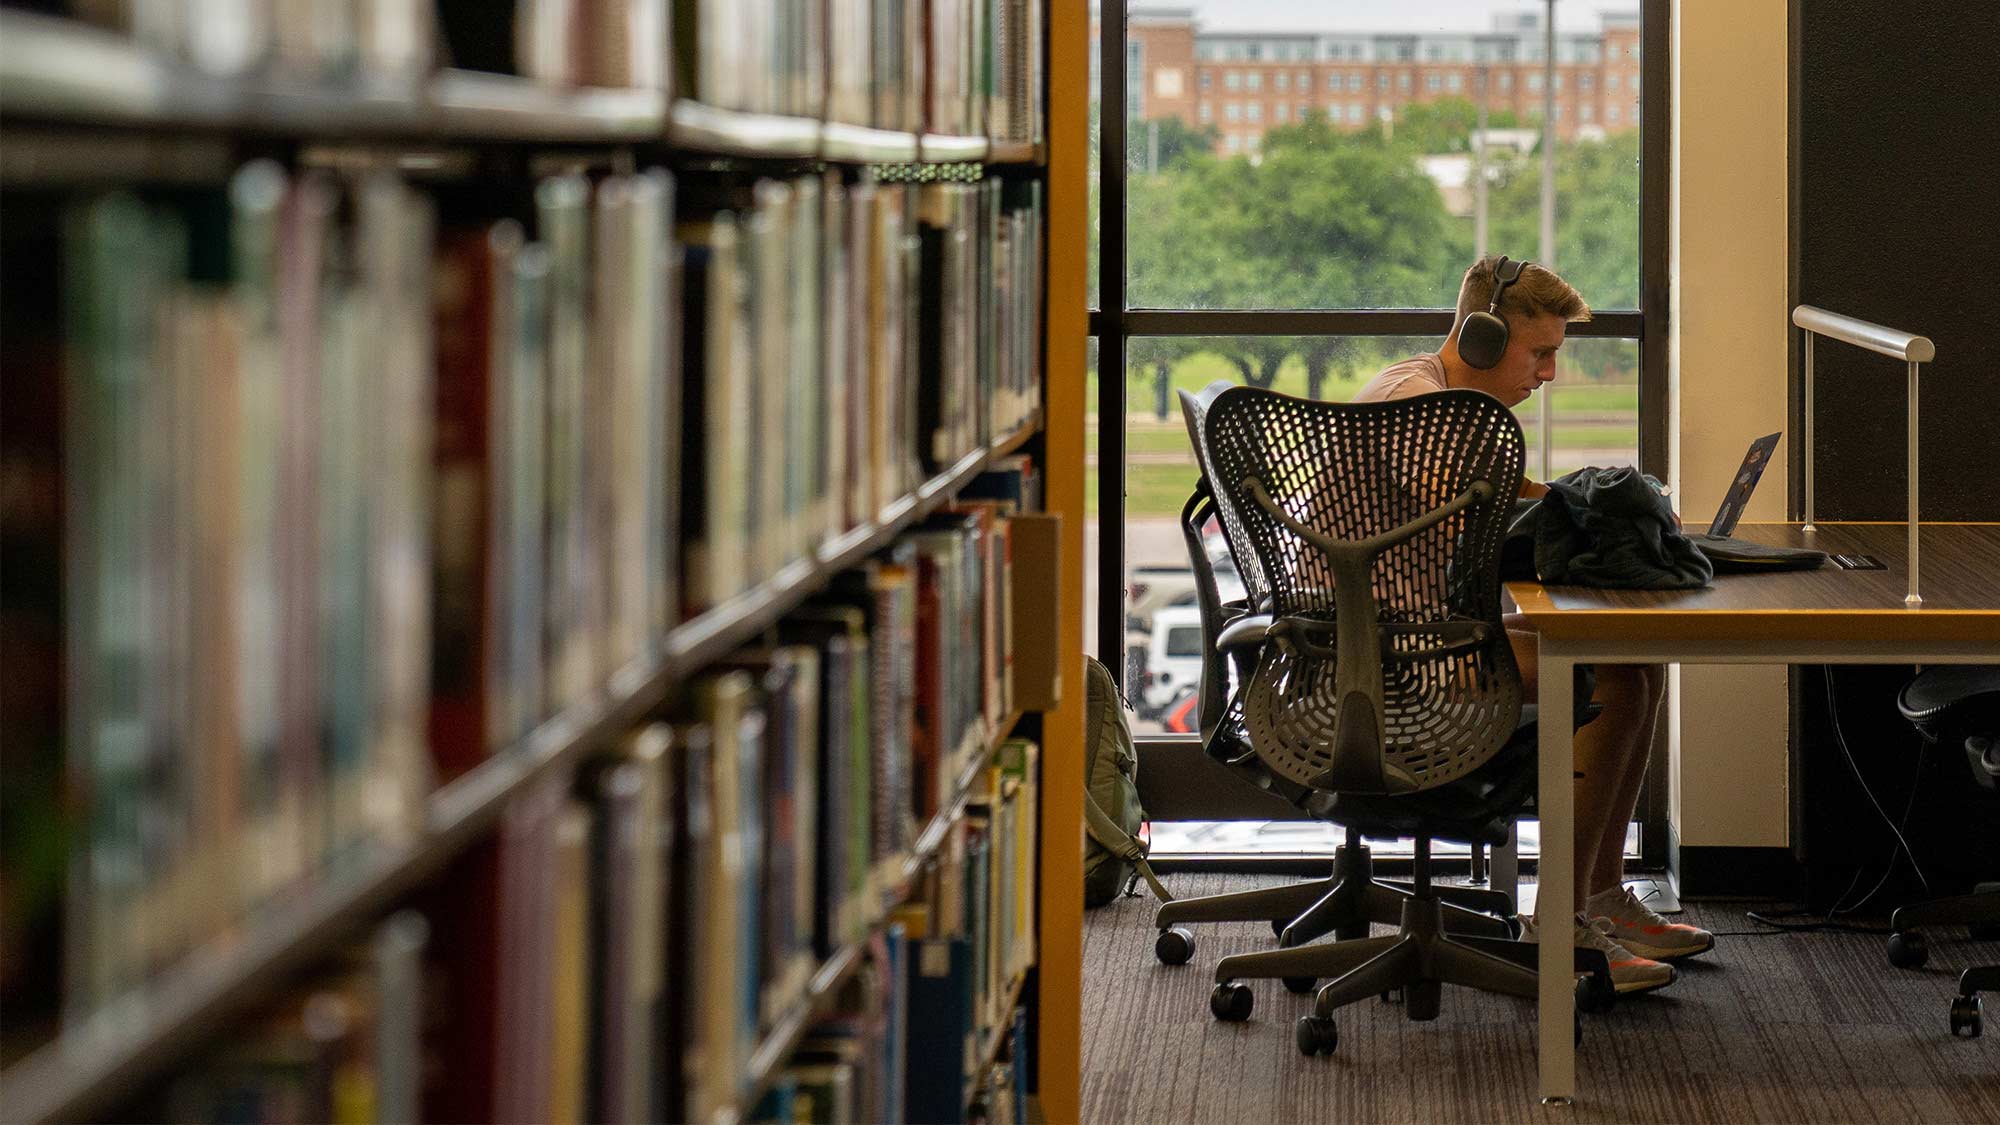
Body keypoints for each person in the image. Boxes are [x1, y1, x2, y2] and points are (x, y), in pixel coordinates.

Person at [1353, 256, 1712, 995]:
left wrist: (1622, 513)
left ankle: (1604, 899)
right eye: (1540, 353)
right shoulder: (1414, 403)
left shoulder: (1449, 406)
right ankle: (1563, 926)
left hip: (1416, 635)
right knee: (1608, 670)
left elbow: (1523, 502)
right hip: (1390, 661)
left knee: (1634, 661)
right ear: (1482, 341)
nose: (1549, 374)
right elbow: (1500, 518)